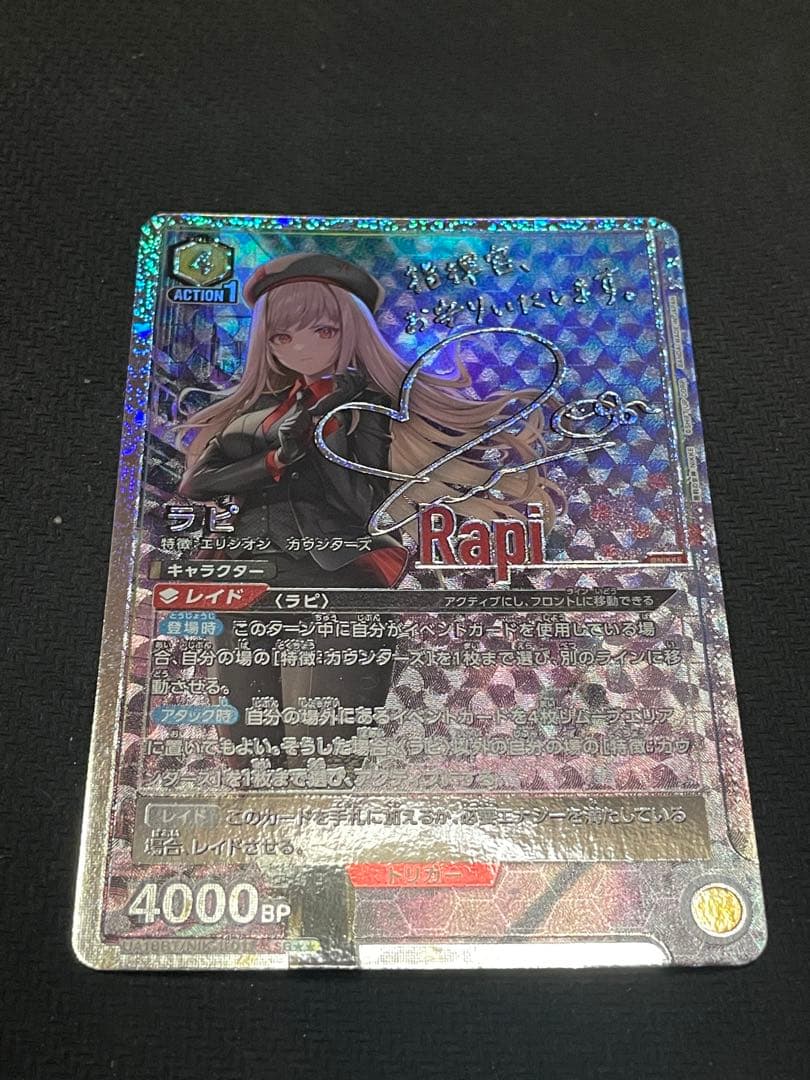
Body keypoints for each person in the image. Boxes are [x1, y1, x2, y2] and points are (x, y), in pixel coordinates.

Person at [177, 252, 562, 743]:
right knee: (247, 755)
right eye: (281, 337)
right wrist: (275, 459)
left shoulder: (368, 407)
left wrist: (330, 433)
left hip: (338, 581)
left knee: (322, 751)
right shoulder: (261, 412)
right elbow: (197, 483)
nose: (301, 348)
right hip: (247, 581)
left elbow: (365, 506)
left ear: (351, 330)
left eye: (323, 331)